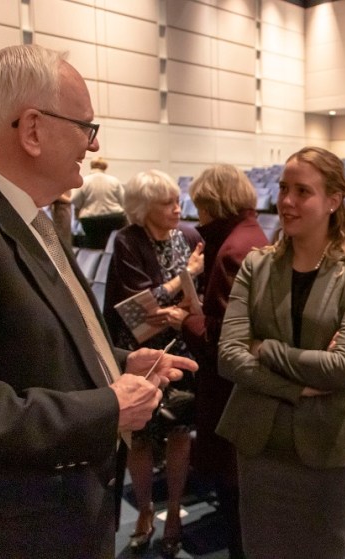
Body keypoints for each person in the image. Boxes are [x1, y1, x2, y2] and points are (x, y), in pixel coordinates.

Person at [0, 44, 196, 558]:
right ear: (32, 130)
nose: (94, 144)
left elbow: (35, 345)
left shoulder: (27, 216)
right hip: (14, 531)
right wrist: (108, 405)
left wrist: (116, 362)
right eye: (85, 127)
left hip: (61, 515)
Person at [217, 146, 345, 558]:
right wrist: (296, 387)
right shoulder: (257, 265)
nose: (287, 201)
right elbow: (228, 355)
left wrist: (266, 348)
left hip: (331, 445)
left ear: (333, 200)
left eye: (302, 191)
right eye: (283, 189)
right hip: (260, 443)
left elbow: (340, 368)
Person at [103, 169, 205, 558]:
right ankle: (146, 511)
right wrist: (185, 277)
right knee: (139, 436)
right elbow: (135, 309)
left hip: (180, 347)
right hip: (139, 353)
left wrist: (165, 304)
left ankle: (175, 512)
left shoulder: (191, 236)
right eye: (167, 203)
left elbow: (177, 303)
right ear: (144, 208)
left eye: (178, 200)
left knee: (180, 431)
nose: (178, 208)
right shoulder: (128, 241)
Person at [180, 164, 269, 559]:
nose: (197, 217)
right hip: (240, 393)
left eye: (200, 208)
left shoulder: (234, 249)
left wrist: (186, 321)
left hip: (232, 396)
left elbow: (225, 342)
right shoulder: (246, 237)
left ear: (214, 204)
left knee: (240, 512)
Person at [72, 156, 127, 248]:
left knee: (94, 246)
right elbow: (124, 200)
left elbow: (74, 200)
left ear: (91, 166)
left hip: (91, 220)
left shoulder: (84, 181)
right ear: (105, 167)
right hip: (114, 218)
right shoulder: (114, 180)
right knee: (113, 245)